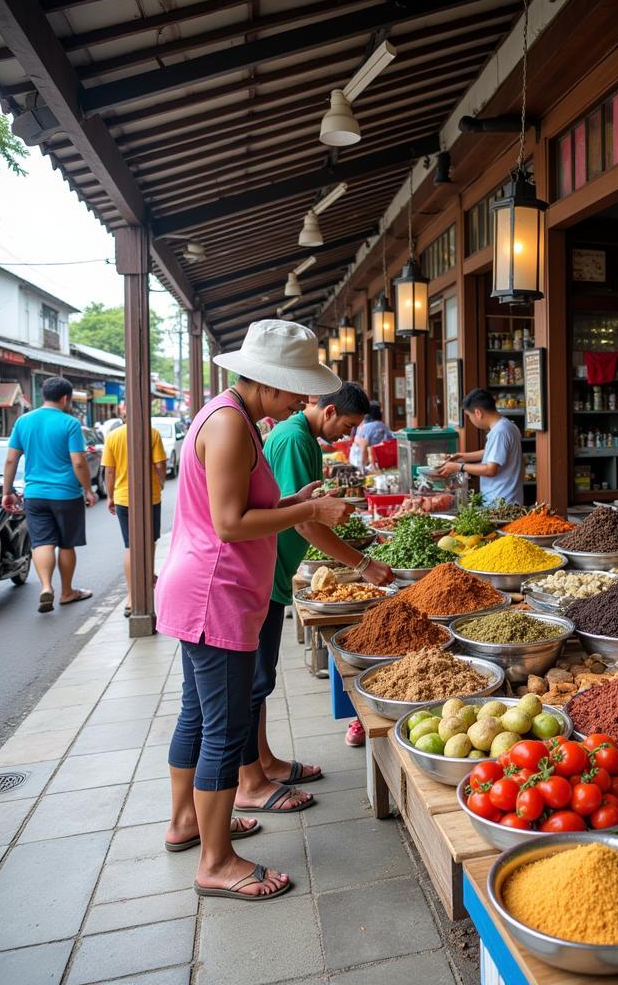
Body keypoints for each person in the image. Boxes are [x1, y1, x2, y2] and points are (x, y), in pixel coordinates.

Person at [157, 320, 353, 901]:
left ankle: (187, 823)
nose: (302, 401)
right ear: (267, 381)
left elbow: (248, 504)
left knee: (199, 716)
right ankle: (216, 862)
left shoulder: (236, 417)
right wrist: (307, 512)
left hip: (213, 592)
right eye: (296, 388)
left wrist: (296, 501)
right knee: (224, 728)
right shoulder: (228, 426)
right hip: (214, 594)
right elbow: (229, 522)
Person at [236, 382, 393, 810]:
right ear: (327, 412)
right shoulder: (293, 439)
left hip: (275, 570)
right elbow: (304, 522)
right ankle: (250, 781)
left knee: (261, 680)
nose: (348, 434)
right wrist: (363, 564)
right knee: (252, 684)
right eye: (347, 424)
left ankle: (263, 762)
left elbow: (297, 507)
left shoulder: (302, 439)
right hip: (262, 573)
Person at [1, 376, 96, 613]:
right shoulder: (70, 423)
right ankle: (66, 592)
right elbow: (78, 462)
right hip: (66, 494)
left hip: (34, 494)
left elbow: (12, 458)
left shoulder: (23, 421)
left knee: (42, 542)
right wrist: (87, 488)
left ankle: (46, 587)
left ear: (43, 395)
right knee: (66, 544)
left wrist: (8, 491)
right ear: (65, 398)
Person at [102, 411, 168, 617]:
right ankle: (147, 580)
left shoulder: (113, 437)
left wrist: (110, 495)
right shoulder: (153, 433)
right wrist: (161, 482)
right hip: (150, 497)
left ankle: (131, 597)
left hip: (123, 498)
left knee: (130, 546)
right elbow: (160, 465)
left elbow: (109, 471)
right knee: (149, 542)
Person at [438, 388, 524, 505]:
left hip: (501, 503)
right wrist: (461, 456)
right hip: (504, 500)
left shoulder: (500, 431)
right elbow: (493, 452)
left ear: (478, 413)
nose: (470, 420)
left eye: (469, 416)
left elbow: (490, 469)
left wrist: (459, 467)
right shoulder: (508, 425)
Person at [349, 401, 392, 470]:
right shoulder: (383, 425)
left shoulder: (364, 427)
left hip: (368, 462)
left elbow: (363, 447)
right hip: (384, 460)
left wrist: (362, 467)